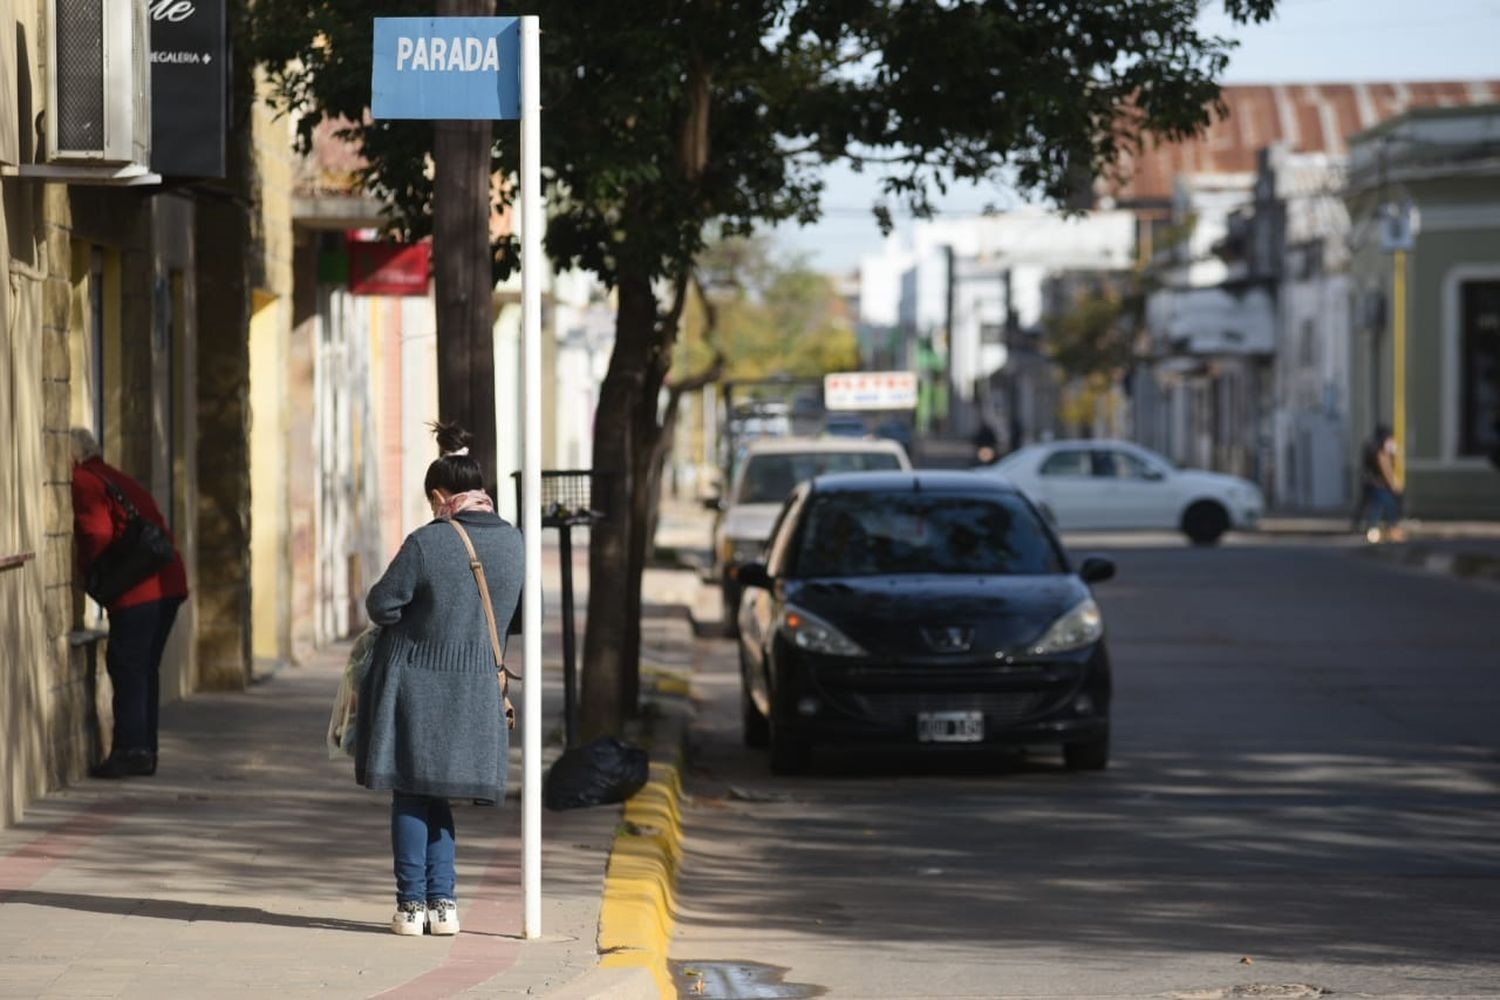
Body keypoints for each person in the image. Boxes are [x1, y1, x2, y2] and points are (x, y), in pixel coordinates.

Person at [355, 421, 524, 937]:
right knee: (441, 794)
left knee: (410, 792)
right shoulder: (515, 542)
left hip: (414, 686)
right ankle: (444, 905)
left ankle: (410, 907)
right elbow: (523, 617)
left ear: (438, 494)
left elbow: (381, 603)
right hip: (476, 687)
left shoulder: (428, 542)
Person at [70, 427, 189, 779]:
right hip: (167, 581)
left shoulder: (84, 479)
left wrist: (91, 573)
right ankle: (144, 748)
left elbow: (97, 533)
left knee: (127, 665)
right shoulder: (112, 475)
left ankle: (131, 750)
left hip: (140, 591)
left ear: (71, 454)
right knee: (144, 668)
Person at [1358, 425, 1405, 543]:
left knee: (1376, 506)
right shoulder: (1380, 450)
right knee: (1389, 505)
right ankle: (1389, 529)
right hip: (1378, 484)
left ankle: (1372, 529)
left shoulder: (1372, 447)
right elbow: (1386, 468)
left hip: (1372, 483)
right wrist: (1393, 483)